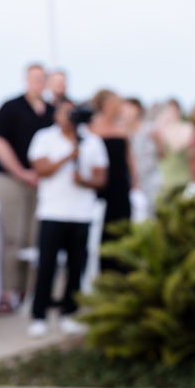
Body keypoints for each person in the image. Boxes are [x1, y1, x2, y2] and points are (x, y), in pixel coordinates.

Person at [26, 97, 108, 338]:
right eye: (64, 112)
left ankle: (69, 313)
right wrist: (68, 156)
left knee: (76, 267)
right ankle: (39, 315)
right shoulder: (44, 138)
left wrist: (84, 181)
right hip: (52, 212)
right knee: (46, 266)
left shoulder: (92, 141)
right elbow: (40, 169)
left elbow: (101, 178)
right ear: (56, 115)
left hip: (81, 214)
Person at [0, 64, 54, 312]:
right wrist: (22, 173)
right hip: (12, 179)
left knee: (34, 237)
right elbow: (0, 143)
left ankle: (30, 290)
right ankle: (8, 291)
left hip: (42, 182)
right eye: (34, 78)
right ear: (26, 80)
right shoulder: (11, 107)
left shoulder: (51, 111)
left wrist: (40, 173)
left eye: (42, 78)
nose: (38, 82)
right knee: (13, 237)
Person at [89, 89, 135, 260]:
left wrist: (134, 180)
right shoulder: (91, 127)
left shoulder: (121, 128)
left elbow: (129, 157)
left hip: (120, 184)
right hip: (101, 185)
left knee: (121, 225)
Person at [122, 97, 161, 218]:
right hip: (131, 183)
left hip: (151, 181)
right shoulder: (120, 131)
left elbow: (162, 154)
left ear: (137, 109)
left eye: (128, 108)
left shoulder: (151, 129)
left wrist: (158, 142)